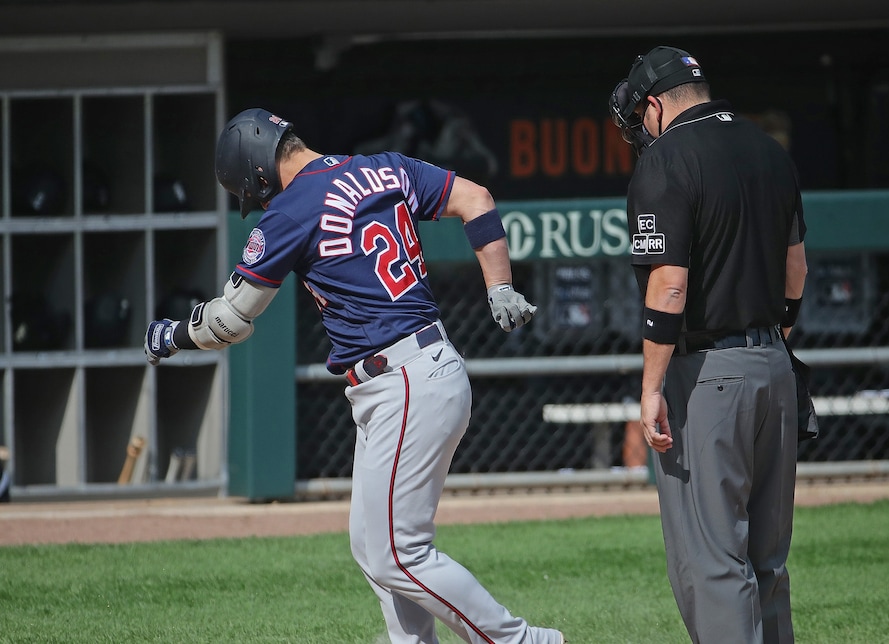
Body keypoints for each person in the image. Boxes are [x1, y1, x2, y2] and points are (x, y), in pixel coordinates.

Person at [144, 108, 564, 644]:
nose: (260, 202)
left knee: (397, 553)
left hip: (404, 378)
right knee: (372, 545)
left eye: (254, 192)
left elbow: (231, 320)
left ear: (257, 171)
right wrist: (499, 286)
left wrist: (173, 336)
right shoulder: (382, 167)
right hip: (414, 371)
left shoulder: (293, 208)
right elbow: (476, 197)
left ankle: (524, 642)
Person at [609, 47, 808, 642]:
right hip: (774, 365)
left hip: (709, 376)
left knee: (713, 563)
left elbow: (670, 284)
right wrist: (774, 339)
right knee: (767, 562)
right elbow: (795, 271)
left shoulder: (666, 159)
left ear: (652, 105)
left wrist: (649, 387)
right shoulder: (769, 150)